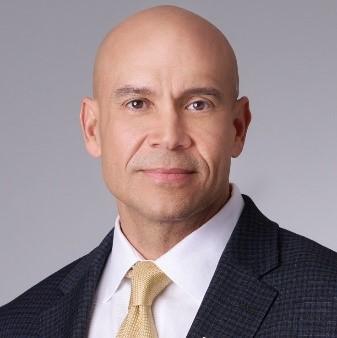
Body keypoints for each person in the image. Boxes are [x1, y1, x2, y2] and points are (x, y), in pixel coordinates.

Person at [1, 4, 337, 338]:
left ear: (238, 128)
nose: (169, 137)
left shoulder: (328, 301)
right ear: (92, 128)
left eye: (198, 104)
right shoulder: (17, 324)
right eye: (137, 103)